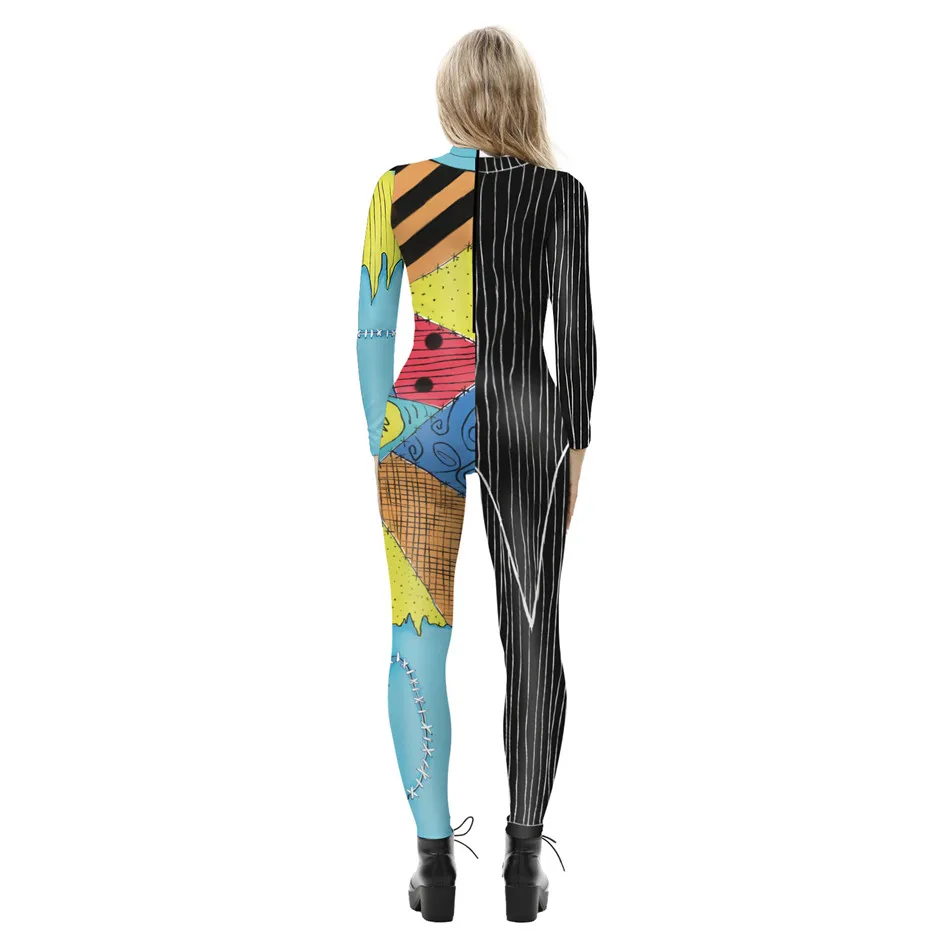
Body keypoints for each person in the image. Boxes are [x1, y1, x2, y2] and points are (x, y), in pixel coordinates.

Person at [355, 25, 598, 923]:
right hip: (530, 420)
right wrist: (575, 444)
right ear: (524, 96)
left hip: (420, 420)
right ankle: (523, 865)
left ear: (449, 95)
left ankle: (433, 868)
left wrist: (380, 434)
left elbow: (372, 324)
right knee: (533, 636)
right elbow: (576, 336)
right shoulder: (560, 195)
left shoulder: (397, 189)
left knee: (416, 637)